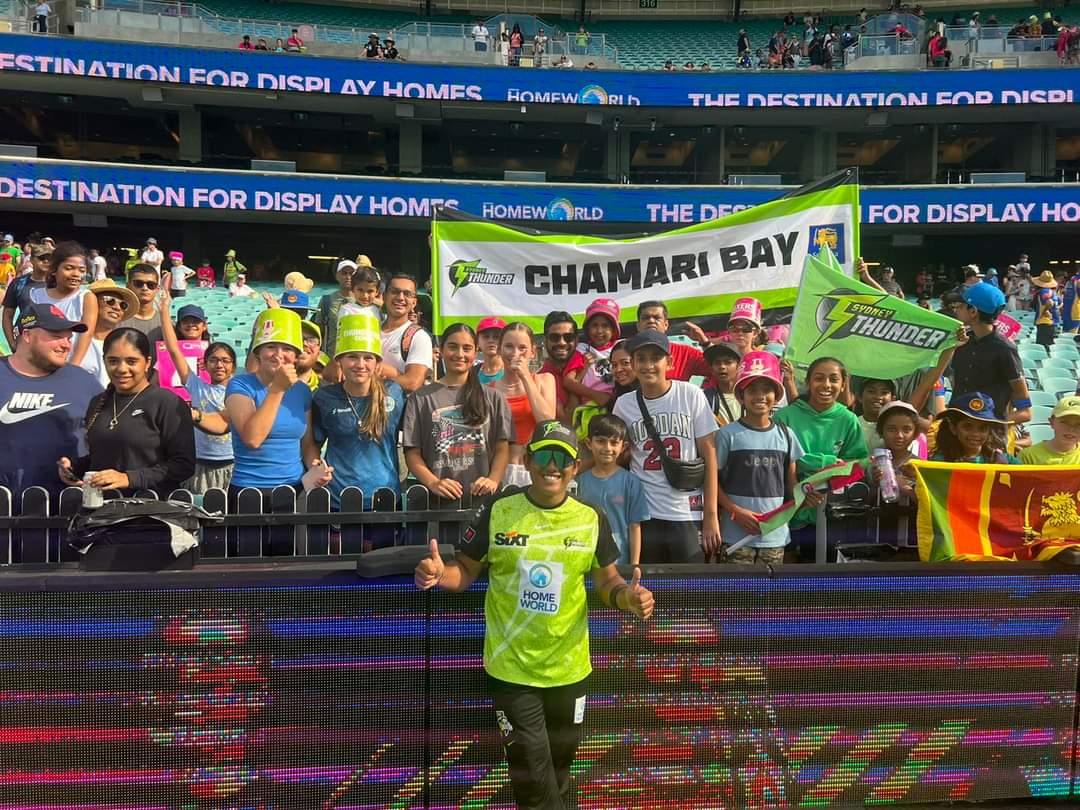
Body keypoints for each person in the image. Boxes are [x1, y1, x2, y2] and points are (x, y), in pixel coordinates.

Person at [414, 419, 653, 810]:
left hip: (570, 671)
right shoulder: (499, 510)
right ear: (527, 461)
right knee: (534, 781)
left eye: (562, 458)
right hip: (512, 671)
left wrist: (628, 598)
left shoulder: (590, 517)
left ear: (575, 467)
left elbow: (607, 582)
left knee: (558, 775)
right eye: (543, 456)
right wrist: (439, 574)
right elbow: (465, 571)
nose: (552, 466)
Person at [612, 329, 719, 563]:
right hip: (644, 513)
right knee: (649, 582)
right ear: (633, 364)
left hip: (687, 511)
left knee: (690, 583)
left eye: (655, 358)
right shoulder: (623, 405)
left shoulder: (691, 394)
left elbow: (710, 454)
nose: (648, 365)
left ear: (669, 362)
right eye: (641, 359)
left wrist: (711, 516)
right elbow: (618, 455)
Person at [58, 328, 195, 497]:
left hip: (151, 507)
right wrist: (75, 468)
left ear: (147, 363)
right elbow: (106, 457)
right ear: (104, 361)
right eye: (113, 361)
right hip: (102, 508)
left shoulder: (168, 403)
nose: (122, 369)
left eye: (131, 361)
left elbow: (183, 465)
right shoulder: (98, 402)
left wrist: (129, 478)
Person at [311, 314, 405, 550]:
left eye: (368, 357)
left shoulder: (394, 393)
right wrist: (316, 467)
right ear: (340, 361)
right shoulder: (324, 397)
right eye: (352, 356)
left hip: (385, 497)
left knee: (382, 565)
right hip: (338, 498)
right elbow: (313, 443)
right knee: (342, 564)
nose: (360, 364)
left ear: (377, 362)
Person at [717, 351, 812, 566]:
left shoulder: (787, 435)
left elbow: (792, 486)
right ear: (741, 396)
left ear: (777, 396)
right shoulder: (726, 435)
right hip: (735, 537)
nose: (760, 396)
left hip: (774, 537)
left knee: (769, 588)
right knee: (736, 588)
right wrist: (735, 511)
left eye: (767, 390)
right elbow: (712, 483)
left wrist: (807, 496)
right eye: (752, 390)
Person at [0, 303, 102, 499]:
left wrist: (84, 470)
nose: (66, 345)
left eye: (69, 338)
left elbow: (109, 440)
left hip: (67, 508)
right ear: (27, 335)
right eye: (56, 336)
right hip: (5, 508)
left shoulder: (84, 382)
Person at [403, 323, 511, 502]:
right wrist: (433, 483)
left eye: (467, 348)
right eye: (453, 347)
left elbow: (502, 448)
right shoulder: (420, 399)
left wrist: (493, 480)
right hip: (437, 502)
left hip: (483, 499)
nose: (460, 354)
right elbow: (412, 453)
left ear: (475, 352)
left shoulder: (495, 398)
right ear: (441, 350)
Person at [225, 309, 323, 502]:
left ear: (295, 356)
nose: (278, 355)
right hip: (249, 492)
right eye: (271, 347)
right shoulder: (240, 385)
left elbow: (307, 444)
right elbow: (252, 439)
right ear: (258, 353)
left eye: (287, 349)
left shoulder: (302, 391)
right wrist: (277, 389)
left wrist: (317, 468)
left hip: (294, 490)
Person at [775, 356, 868, 559]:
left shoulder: (848, 419)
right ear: (808, 382)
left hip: (828, 514)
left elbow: (858, 463)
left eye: (833, 379)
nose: (826, 385)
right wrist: (824, 462)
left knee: (821, 572)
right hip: (787, 511)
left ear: (843, 385)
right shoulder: (784, 417)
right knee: (787, 570)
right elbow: (776, 460)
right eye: (819, 378)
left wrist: (832, 476)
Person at [159, 288, 235, 494]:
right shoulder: (195, 385)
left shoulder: (240, 390)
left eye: (225, 360)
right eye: (214, 360)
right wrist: (164, 310)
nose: (219, 365)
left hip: (232, 463)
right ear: (205, 364)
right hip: (199, 463)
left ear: (233, 366)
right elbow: (173, 349)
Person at [952, 282, 1031, 425]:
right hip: (956, 426)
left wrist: (990, 424)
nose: (955, 309)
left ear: (973, 311)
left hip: (986, 433)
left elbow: (1025, 412)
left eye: (960, 306)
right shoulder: (961, 341)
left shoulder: (1005, 349)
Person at [576, 414, 649, 565]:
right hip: (586, 562)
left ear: (623, 447)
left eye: (614, 442)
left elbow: (635, 527)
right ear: (589, 443)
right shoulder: (579, 483)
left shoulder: (631, 482)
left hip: (620, 564)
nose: (607, 448)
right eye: (601, 441)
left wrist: (634, 565)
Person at [492, 322, 557, 486]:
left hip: (534, 468)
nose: (515, 353)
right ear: (499, 350)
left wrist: (525, 376)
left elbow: (548, 423)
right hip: (499, 470)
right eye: (509, 346)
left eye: (522, 348)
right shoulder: (488, 389)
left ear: (533, 352)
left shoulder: (545, 380)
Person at [30, 241, 96, 366]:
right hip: (42, 363)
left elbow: (86, 334)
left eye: (81, 270)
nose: (76, 274)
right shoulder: (37, 295)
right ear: (54, 270)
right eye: (68, 268)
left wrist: (73, 366)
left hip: (74, 362)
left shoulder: (86, 298)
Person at [931, 392, 1020, 464]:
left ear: (989, 431)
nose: (975, 434)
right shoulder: (941, 461)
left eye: (982, 428)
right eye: (967, 427)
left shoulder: (1003, 459)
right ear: (953, 428)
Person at [79, 279, 138, 387]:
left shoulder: (126, 345)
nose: (117, 307)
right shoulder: (71, 339)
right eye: (110, 301)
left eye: (123, 305)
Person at [379, 274, 432, 393]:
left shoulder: (419, 337)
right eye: (394, 292)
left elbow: (412, 383)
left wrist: (370, 379)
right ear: (384, 296)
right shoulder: (369, 330)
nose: (400, 298)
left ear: (414, 302)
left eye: (407, 294)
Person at [634, 301, 711, 382]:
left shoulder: (685, 353)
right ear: (638, 326)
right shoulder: (627, 352)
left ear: (666, 324)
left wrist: (705, 343)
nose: (651, 321)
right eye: (645, 318)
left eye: (657, 318)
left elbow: (715, 369)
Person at [570, 298, 621, 408]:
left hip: (618, 404)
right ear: (587, 329)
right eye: (594, 325)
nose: (599, 331)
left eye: (605, 326)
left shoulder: (620, 347)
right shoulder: (582, 350)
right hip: (590, 406)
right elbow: (568, 382)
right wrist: (596, 396)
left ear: (613, 329)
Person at [540, 311, 585, 424]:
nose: (562, 343)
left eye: (568, 337)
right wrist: (576, 382)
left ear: (576, 341)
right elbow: (567, 422)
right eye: (554, 337)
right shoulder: (541, 379)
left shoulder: (590, 364)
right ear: (545, 341)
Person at [2, 242, 50, 350]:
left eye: (49, 258)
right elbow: (7, 315)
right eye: (41, 258)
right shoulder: (18, 283)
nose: (46, 261)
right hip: (24, 339)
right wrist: (12, 343)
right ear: (31, 260)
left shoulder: (58, 283)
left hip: (51, 340)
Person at [314, 259, 355, 362]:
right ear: (337, 276)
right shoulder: (326, 300)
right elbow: (319, 332)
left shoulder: (363, 302)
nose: (348, 277)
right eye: (344, 273)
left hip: (354, 360)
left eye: (351, 273)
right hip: (330, 360)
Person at [1019, 395, 1080, 465]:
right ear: (1051, 422)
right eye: (1065, 422)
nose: (1071, 429)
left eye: (1079, 424)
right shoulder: (1029, 456)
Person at [703, 341, 742, 426]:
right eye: (717, 363)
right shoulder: (705, 399)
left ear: (739, 366)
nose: (722, 366)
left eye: (728, 362)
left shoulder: (751, 395)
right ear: (711, 369)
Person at [125, 263, 164, 345]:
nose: (145, 288)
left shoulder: (166, 323)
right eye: (138, 283)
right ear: (128, 286)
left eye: (151, 285)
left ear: (157, 289)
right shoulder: (116, 320)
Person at [476, 316, 506, 384]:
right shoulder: (471, 373)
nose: (491, 340)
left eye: (496, 337)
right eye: (486, 336)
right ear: (477, 341)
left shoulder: (513, 371)